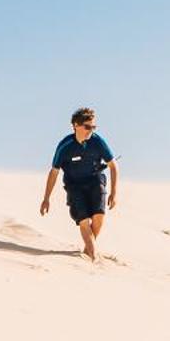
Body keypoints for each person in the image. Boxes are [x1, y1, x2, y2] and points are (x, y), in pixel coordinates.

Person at [40, 107, 120, 260]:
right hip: (74, 185)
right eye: (87, 127)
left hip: (95, 180)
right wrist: (46, 198)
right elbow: (54, 172)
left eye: (93, 127)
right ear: (76, 125)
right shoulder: (65, 145)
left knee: (99, 215)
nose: (91, 130)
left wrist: (114, 193)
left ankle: (88, 250)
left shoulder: (97, 141)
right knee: (83, 220)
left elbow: (113, 165)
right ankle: (93, 256)